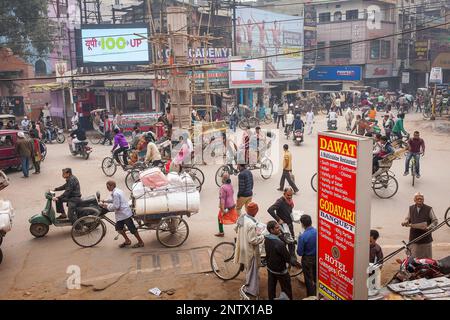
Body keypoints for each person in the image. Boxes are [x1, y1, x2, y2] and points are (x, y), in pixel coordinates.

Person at [100, 180, 144, 248]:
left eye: (108, 186)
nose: (107, 188)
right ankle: (127, 240)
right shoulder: (117, 190)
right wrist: (105, 201)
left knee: (132, 229)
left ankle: (141, 242)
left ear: (112, 186)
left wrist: (106, 206)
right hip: (122, 214)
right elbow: (114, 200)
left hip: (124, 214)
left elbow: (116, 206)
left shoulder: (115, 193)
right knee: (119, 228)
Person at [233, 202, 265, 298]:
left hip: (242, 246)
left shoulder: (242, 217)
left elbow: (236, 229)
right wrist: (262, 236)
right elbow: (253, 240)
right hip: (250, 250)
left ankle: (249, 285)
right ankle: (251, 290)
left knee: (248, 269)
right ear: (255, 211)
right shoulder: (251, 224)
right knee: (252, 271)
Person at [401, 193, 438, 259]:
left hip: (425, 238)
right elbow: (408, 218)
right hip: (414, 238)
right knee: (414, 258)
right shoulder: (411, 208)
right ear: (414, 200)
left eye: (421, 199)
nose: (420, 200)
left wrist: (429, 228)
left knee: (426, 259)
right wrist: (405, 222)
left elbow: (435, 221)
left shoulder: (428, 209)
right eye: (418, 199)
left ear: (423, 200)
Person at [264, 220, 294, 300]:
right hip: (280, 270)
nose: (279, 229)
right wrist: (292, 262)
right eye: (277, 228)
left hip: (270, 268)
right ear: (271, 230)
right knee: (286, 289)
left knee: (271, 287)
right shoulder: (279, 244)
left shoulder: (267, 238)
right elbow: (287, 258)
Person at [268, 188, 297, 264]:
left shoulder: (290, 201)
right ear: (284, 193)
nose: (290, 197)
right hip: (284, 227)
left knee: (292, 243)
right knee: (284, 243)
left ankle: (293, 260)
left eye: (291, 195)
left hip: (290, 225)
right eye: (288, 195)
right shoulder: (280, 201)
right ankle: (285, 260)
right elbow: (270, 209)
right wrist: (278, 219)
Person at [297, 214, 317, 297]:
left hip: (307, 259)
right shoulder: (317, 232)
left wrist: (299, 240)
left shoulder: (303, 236)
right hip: (317, 257)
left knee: (308, 279)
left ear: (302, 224)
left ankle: (311, 296)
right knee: (316, 276)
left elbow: (300, 253)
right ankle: (317, 293)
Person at [216, 172, 238, 237]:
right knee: (235, 219)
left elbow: (222, 199)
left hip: (226, 207)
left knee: (219, 218)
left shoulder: (222, 187)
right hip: (232, 205)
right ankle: (240, 231)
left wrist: (222, 210)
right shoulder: (230, 185)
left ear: (223, 179)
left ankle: (221, 232)